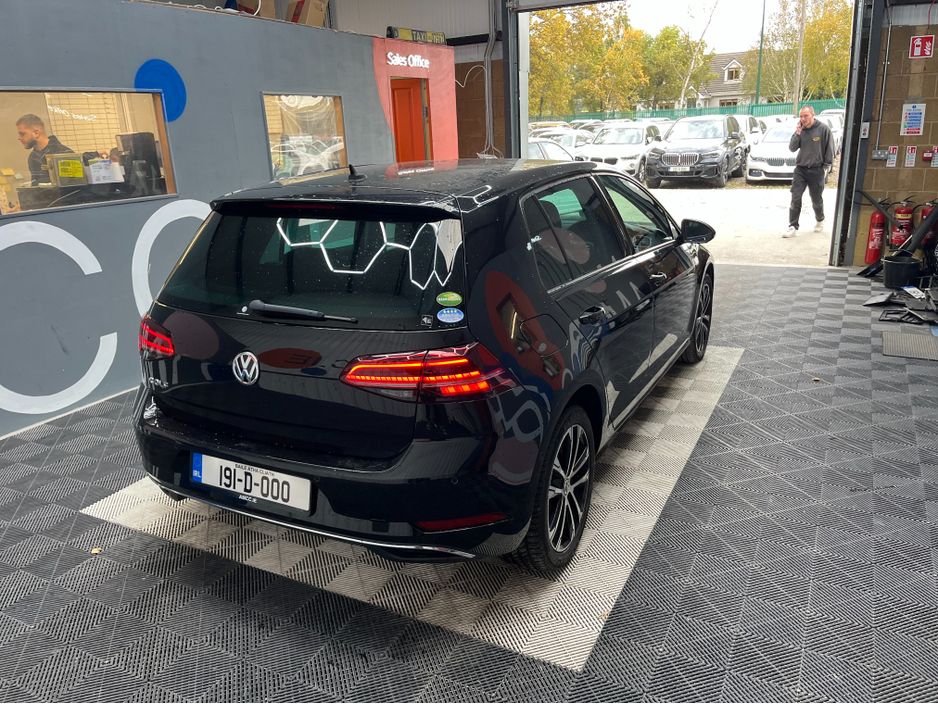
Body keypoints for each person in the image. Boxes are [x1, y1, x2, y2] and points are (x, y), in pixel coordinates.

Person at [784, 105, 834, 238]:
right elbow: (792, 148)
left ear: (813, 115)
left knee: (816, 199)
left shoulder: (823, 129)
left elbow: (829, 148)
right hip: (800, 169)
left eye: (805, 116)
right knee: (795, 197)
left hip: (817, 170)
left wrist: (827, 166)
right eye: (801, 116)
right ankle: (792, 226)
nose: (803, 119)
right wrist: (797, 133)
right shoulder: (800, 130)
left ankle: (820, 219)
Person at [15, 114, 74, 186]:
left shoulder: (63, 154)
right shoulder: (33, 157)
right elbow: (36, 186)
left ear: (36, 133)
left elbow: (74, 186)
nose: (19, 138)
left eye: (22, 134)